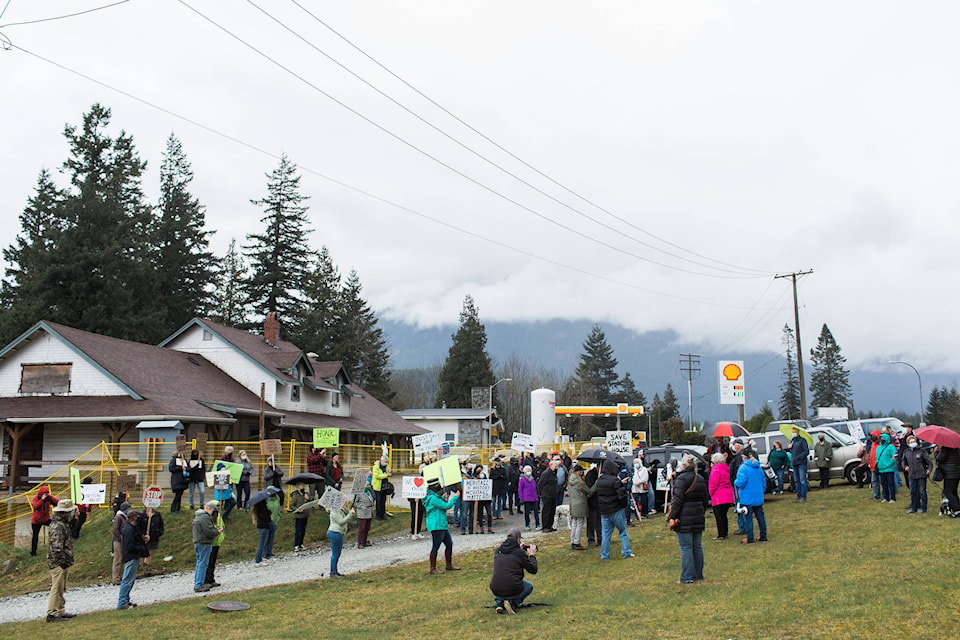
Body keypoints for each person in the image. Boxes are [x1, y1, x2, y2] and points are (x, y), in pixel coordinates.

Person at [670, 454, 709, 583]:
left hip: (684, 517)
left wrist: (673, 516)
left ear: (683, 466)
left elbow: (678, 500)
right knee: (697, 547)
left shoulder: (681, 480)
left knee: (686, 548)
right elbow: (705, 499)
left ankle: (687, 576)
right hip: (698, 515)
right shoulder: (701, 479)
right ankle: (698, 574)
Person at [489, 528, 538, 615]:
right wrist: (531, 555)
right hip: (512, 587)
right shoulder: (519, 553)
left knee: (501, 581)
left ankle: (499, 603)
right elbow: (533, 570)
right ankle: (514, 603)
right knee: (528, 586)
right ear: (518, 539)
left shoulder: (498, 550)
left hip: (495, 587)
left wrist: (519, 549)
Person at [46, 499, 77, 623]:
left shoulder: (61, 523)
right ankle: (52, 613)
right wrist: (63, 561)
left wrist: (74, 520)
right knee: (56, 588)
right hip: (57, 562)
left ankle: (60, 611)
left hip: (61, 561)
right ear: (65, 512)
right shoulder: (58, 527)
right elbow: (57, 548)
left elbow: (69, 528)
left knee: (60, 587)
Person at [596, 460, 634, 560]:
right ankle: (626, 552)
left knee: (606, 535)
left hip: (604, 512)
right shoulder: (615, 480)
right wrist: (623, 506)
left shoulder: (599, 481)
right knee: (622, 532)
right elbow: (621, 495)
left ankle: (604, 555)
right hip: (616, 510)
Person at [423, 479, 461, 574]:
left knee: (449, 544)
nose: (439, 485)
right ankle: (432, 568)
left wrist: (443, 499)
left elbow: (441, 506)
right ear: (434, 486)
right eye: (437, 484)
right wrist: (455, 497)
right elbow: (446, 506)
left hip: (441, 524)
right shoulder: (433, 498)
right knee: (436, 546)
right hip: (437, 524)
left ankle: (448, 565)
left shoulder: (433, 496)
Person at [117, 510, 149, 609]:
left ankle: (126, 599)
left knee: (129, 579)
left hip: (131, 556)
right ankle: (122, 602)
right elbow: (129, 545)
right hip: (131, 556)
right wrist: (140, 549)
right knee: (127, 579)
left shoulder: (130, 528)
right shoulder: (129, 529)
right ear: (134, 517)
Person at [734, 451, 768, 544]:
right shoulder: (758, 467)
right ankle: (763, 535)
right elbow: (763, 481)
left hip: (747, 496)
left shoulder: (743, 468)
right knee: (760, 516)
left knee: (748, 517)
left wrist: (735, 482)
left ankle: (750, 537)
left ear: (744, 457)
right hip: (758, 495)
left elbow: (741, 482)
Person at [193, 500, 221, 592]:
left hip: (198, 542)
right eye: (213, 511)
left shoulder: (198, 517)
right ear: (209, 509)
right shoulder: (205, 518)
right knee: (203, 564)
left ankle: (199, 582)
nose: (214, 514)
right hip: (204, 543)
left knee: (199, 563)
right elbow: (209, 532)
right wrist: (217, 531)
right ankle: (199, 585)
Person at [567, 464, 594, 550]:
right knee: (579, 523)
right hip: (580, 504)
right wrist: (596, 484)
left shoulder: (571, 480)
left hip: (573, 503)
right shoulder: (580, 481)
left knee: (574, 523)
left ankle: (573, 541)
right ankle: (577, 542)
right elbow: (590, 491)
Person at [707, 452, 734, 540]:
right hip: (727, 494)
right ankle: (724, 533)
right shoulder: (726, 468)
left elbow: (713, 483)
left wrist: (710, 492)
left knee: (719, 515)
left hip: (719, 495)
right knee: (723, 515)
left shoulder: (715, 470)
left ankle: (721, 534)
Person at [902, 435, 931, 514]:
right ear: (908, 444)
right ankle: (914, 507)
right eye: (911, 442)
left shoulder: (921, 451)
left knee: (922, 491)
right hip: (911, 475)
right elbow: (903, 461)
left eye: (914, 442)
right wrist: (905, 467)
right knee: (913, 491)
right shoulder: (906, 452)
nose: (913, 443)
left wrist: (928, 470)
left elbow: (929, 462)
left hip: (921, 474)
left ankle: (923, 507)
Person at [327, 501, 357, 577]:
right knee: (335, 553)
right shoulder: (334, 512)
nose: (346, 503)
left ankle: (335, 571)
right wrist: (350, 514)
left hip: (338, 532)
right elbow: (341, 521)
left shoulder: (340, 510)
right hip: (335, 532)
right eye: (344, 502)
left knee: (337, 553)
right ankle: (332, 572)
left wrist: (349, 511)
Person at [31, 485, 59, 556]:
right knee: (35, 536)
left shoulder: (49, 498)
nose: (46, 495)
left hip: (45, 519)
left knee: (55, 527)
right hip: (36, 521)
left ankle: (55, 546)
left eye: (47, 493)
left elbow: (56, 502)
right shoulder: (36, 499)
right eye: (45, 494)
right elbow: (35, 506)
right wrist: (42, 500)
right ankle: (33, 552)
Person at [203, 505, 226, 589]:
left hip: (217, 542)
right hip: (211, 543)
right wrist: (217, 531)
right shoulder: (208, 519)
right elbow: (209, 531)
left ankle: (211, 579)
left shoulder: (218, 517)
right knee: (209, 562)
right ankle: (206, 579)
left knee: (212, 562)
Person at [137, 507, 164, 574]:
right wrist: (143, 535)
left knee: (149, 552)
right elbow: (138, 527)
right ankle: (138, 567)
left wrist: (158, 533)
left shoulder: (157, 514)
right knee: (141, 552)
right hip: (143, 537)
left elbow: (161, 525)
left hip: (153, 537)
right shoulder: (141, 515)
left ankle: (146, 567)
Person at [786, 428, 810, 502]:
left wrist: (799, 457)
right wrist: (789, 448)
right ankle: (798, 496)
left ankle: (803, 496)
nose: (793, 433)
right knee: (796, 481)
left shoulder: (802, 441)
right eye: (792, 432)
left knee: (802, 480)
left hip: (801, 463)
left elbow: (806, 451)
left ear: (797, 432)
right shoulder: (792, 441)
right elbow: (792, 452)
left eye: (794, 432)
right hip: (794, 463)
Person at [935, 445, 960, 514]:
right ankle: (957, 506)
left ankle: (957, 509)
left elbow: (940, 459)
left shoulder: (945, 448)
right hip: (957, 472)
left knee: (947, 492)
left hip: (949, 474)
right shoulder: (957, 448)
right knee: (954, 491)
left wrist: (936, 452)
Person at [111, 501, 131, 585]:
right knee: (117, 559)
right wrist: (120, 538)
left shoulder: (123, 516)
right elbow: (115, 529)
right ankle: (115, 578)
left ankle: (120, 576)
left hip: (123, 540)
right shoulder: (119, 517)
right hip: (118, 541)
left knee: (122, 558)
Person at [537, 459, 559, 533]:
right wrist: (540, 493)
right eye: (555, 466)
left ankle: (550, 525)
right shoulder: (546, 473)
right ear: (551, 466)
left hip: (553, 494)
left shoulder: (554, 473)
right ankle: (545, 526)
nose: (557, 467)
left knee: (552, 511)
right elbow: (540, 483)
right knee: (547, 510)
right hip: (547, 495)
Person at [876, 433, 898, 503]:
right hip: (881, 469)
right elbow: (877, 457)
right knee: (883, 484)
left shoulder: (891, 447)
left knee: (891, 483)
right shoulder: (879, 448)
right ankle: (886, 497)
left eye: (883, 438)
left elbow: (895, 457)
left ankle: (893, 498)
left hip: (889, 469)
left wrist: (889, 463)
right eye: (881, 438)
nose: (882, 439)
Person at [289, 483, 312, 551]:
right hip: (298, 516)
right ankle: (296, 544)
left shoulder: (305, 494)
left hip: (305, 515)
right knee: (298, 530)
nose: (303, 487)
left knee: (303, 530)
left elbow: (309, 502)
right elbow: (291, 505)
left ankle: (301, 543)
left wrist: (307, 498)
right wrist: (298, 509)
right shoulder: (295, 496)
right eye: (301, 486)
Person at [518, 465, 540, 531]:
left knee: (536, 512)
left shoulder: (533, 479)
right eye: (527, 471)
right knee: (527, 512)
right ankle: (527, 524)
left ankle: (537, 524)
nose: (529, 472)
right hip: (526, 498)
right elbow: (520, 489)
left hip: (534, 497)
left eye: (529, 470)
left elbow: (535, 487)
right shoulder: (522, 479)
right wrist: (521, 497)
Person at [355, 480, 375, 547]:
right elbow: (355, 503)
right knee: (362, 528)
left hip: (369, 511)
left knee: (367, 527)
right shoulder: (359, 493)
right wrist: (361, 506)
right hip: (362, 512)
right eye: (367, 485)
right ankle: (360, 542)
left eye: (368, 485)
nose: (368, 486)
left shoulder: (369, 492)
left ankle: (364, 540)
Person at [253, 498, 273, 566]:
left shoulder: (258, 507)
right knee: (262, 543)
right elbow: (265, 517)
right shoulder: (262, 506)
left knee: (262, 543)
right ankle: (258, 560)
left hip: (261, 525)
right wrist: (269, 513)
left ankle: (259, 559)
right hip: (264, 526)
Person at [371, 456, 390, 520]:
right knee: (378, 501)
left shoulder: (386, 466)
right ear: (381, 461)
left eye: (386, 462)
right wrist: (385, 475)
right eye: (385, 462)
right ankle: (378, 515)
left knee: (383, 500)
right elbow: (377, 475)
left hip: (384, 486)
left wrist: (388, 472)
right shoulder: (376, 467)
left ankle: (383, 514)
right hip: (377, 486)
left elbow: (389, 471)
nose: (386, 463)